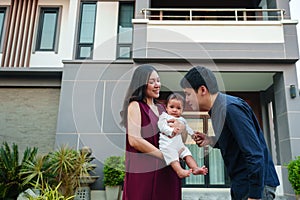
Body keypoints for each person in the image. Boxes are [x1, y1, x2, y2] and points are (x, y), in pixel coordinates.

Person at [180, 66, 280, 200]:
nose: (186, 100)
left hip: (255, 187)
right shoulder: (217, 110)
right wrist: (210, 140)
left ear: (202, 90)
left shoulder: (230, 108)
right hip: (241, 183)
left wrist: (255, 195)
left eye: (188, 94)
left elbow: (255, 154)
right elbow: (234, 142)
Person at [120, 65, 183, 200]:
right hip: (144, 171)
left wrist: (180, 129)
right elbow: (135, 140)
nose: (157, 85)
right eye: (152, 81)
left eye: (158, 80)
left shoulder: (161, 108)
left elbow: (174, 136)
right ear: (141, 84)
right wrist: (165, 156)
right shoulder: (135, 106)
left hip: (166, 171)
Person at [158, 93, 208, 178]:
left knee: (187, 154)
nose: (174, 110)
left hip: (179, 144)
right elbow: (161, 126)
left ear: (182, 110)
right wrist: (171, 131)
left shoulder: (182, 120)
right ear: (166, 107)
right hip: (167, 144)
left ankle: (195, 168)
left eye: (178, 108)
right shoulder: (164, 117)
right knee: (172, 156)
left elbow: (187, 128)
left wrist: (193, 135)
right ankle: (180, 171)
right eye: (172, 107)